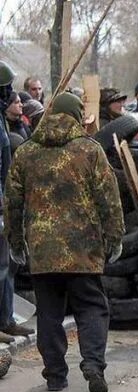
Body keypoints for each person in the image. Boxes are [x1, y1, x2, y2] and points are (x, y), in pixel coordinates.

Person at [4, 92, 124, 392]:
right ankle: (93, 365)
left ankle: (55, 375)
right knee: (93, 308)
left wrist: (16, 242)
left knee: (49, 312)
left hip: (42, 251)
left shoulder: (26, 153)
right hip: (84, 248)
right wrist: (115, 236)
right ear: (76, 115)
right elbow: (109, 200)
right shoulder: (89, 150)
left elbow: (13, 203)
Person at [0, 61, 32, 343]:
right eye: (6, 90)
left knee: (8, 264)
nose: (11, 96)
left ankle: (6, 319)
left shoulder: (2, 120)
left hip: (5, 200)